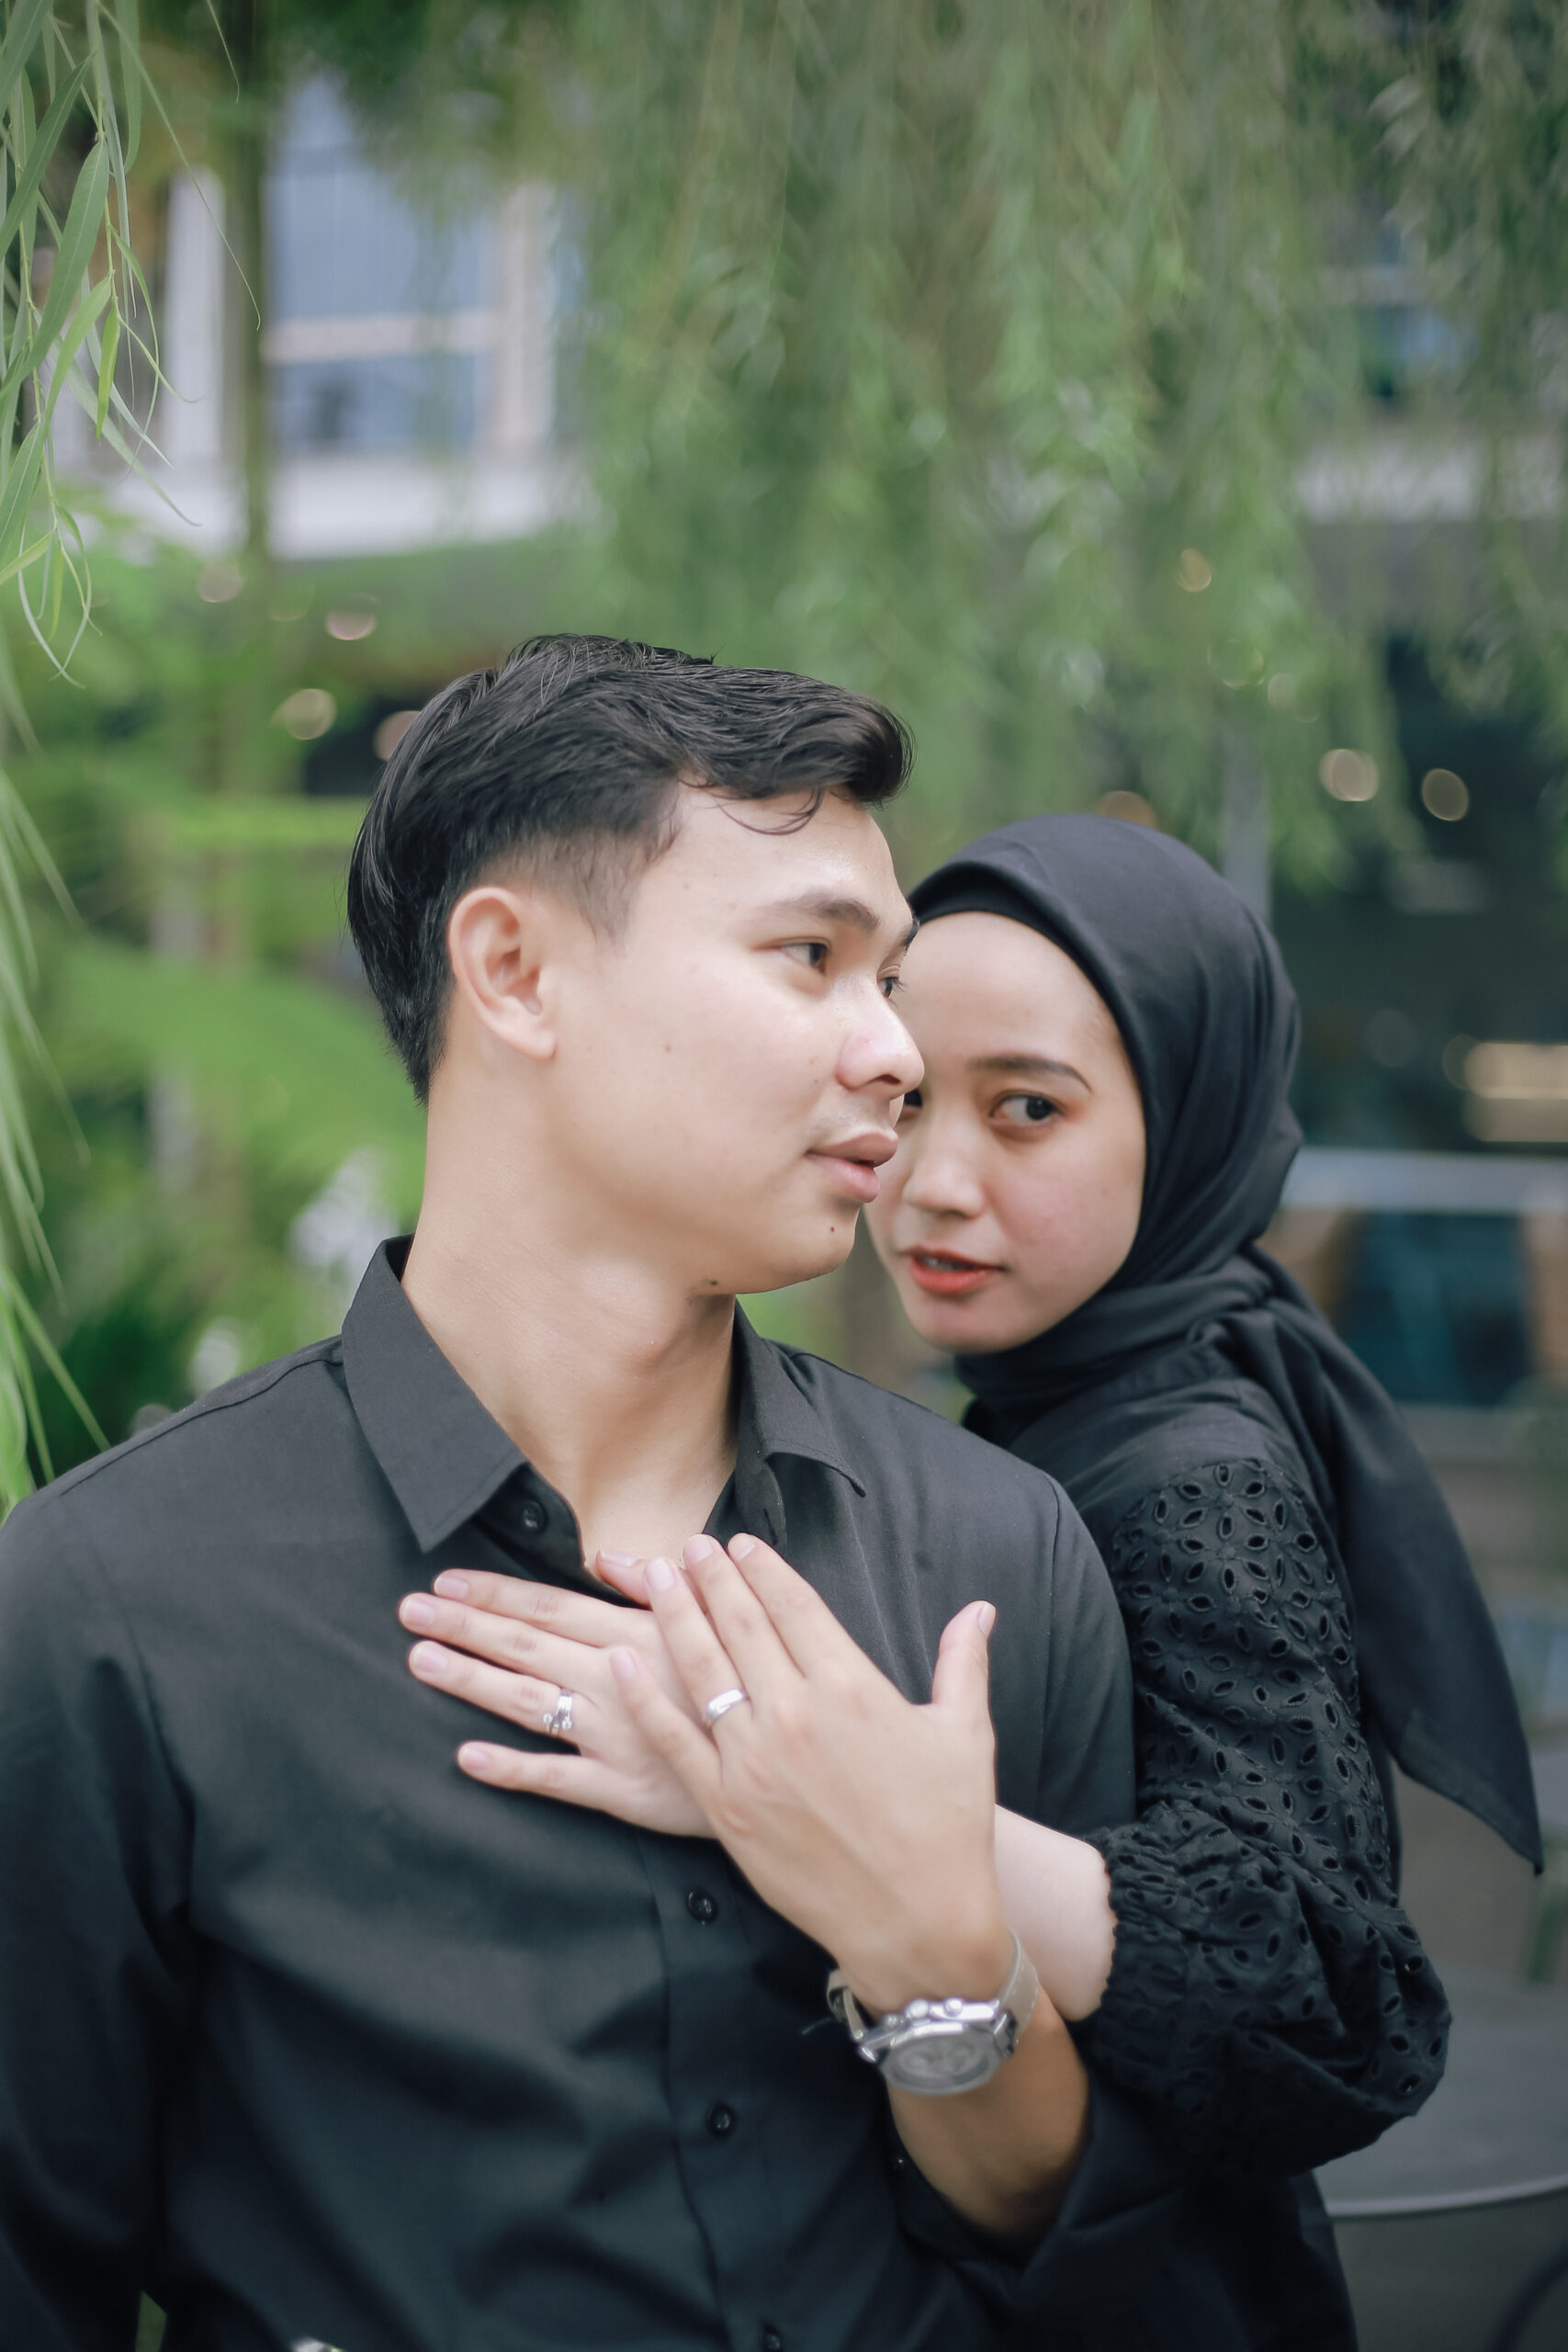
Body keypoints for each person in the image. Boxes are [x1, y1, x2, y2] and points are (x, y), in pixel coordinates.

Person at [0, 641, 1154, 2352]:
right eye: (813, 957)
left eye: (890, 977)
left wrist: (933, 1940)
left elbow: (1099, 2256)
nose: (896, 1053)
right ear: (516, 972)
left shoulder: (994, 1554)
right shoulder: (111, 1605)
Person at [421, 811, 1541, 2350]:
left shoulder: (1188, 1470)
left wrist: (811, 1789)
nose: (933, 1181)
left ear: (1189, 1117)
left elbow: (1331, 1994)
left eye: (1028, 1111)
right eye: (910, 1097)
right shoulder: (1074, 1398)